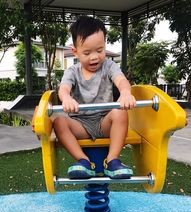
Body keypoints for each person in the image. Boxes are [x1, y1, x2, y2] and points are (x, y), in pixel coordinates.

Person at [53, 16, 136, 179]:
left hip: (105, 121)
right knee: (59, 121)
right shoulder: (72, 72)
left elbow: (121, 80)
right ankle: (83, 161)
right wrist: (67, 98)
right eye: (87, 52)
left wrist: (126, 93)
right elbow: (63, 89)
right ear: (75, 51)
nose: (94, 57)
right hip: (80, 125)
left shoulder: (109, 66)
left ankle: (112, 161)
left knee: (120, 112)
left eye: (99, 50)